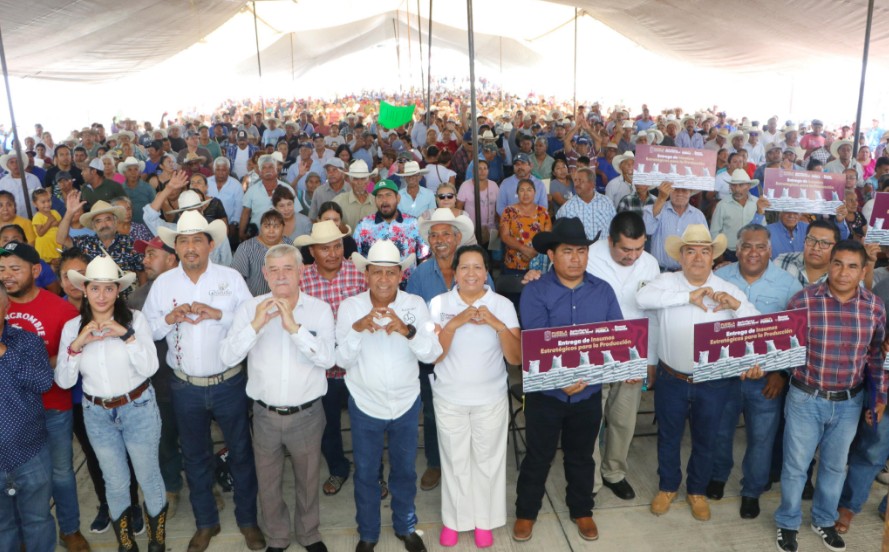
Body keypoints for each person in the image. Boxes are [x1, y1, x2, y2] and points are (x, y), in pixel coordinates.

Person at [142, 211, 264, 552]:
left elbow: (252, 322)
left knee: (241, 453)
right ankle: (205, 523)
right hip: (185, 387)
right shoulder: (163, 284)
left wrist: (218, 314)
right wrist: (169, 318)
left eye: (197, 240)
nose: (191, 247)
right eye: (183, 241)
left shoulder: (231, 278)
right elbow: (147, 330)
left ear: (211, 245)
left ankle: (248, 521)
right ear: (176, 247)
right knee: (195, 458)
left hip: (229, 383)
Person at [636, 225, 760, 522]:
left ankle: (697, 490)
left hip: (714, 382)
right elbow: (642, 299)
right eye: (690, 251)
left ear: (713, 257)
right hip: (671, 378)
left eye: (704, 251)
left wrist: (736, 306)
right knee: (668, 436)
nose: (697, 257)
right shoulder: (666, 282)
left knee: (707, 438)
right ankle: (668, 487)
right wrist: (688, 296)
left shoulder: (728, 289)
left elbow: (756, 325)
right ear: (680, 256)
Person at [513, 217, 622, 543]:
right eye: (567, 251)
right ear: (551, 254)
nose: (576, 258)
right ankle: (526, 512)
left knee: (582, 455)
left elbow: (614, 338)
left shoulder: (603, 291)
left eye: (581, 251)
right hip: (546, 394)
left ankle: (581, 509)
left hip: (588, 392)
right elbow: (535, 341)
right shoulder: (535, 291)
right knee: (538, 455)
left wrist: (589, 374)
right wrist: (558, 378)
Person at [220, 244, 334, 552]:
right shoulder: (250, 309)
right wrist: (256, 325)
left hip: (307, 414)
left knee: (308, 479)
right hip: (265, 415)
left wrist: (295, 329)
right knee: (268, 482)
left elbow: (328, 358)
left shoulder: (319, 309)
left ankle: (309, 534)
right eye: (274, 269)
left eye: (287, 268)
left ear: (300, 272)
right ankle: (277, 537)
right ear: (265, 274)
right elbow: (228, 356)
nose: (281, 275)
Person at [774, 240, 886, 552]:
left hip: (849, 402)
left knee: (836, 467)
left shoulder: (874, 307)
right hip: (805, 398)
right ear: (829, 265)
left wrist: (879, 396)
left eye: (852, 266)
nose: (843, 272)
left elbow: (876, 356)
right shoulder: (803, 301)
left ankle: (824, 519)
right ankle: (788, 522)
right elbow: (784, 349)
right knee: (796, 467)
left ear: (863, 271)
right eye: (838, 263)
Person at [335, 240, 442, 552]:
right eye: (377, 272)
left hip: (406, 403)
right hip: (365, 404)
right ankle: (368, 533)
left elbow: (432, 353)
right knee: (366, 472)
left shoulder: (415, 305)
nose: (383, 279)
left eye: (390, 272)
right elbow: (341, 360)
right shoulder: (350, 307)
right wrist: (358, 329)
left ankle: (406, 526)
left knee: (405, 470)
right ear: (366, 274)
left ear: (400, 275)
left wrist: (408, 331)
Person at [55, 255, 167, 552]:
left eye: (108, 288)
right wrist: (77, 345)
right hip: (97, 414)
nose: (101, 295)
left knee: (148, 476)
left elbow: (150, 367)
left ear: (118, 291)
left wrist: (126, 336)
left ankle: (157, 543)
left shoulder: (135, 320)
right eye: (95, 288)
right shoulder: (72, 328)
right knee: (115, 481)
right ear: (85, 290)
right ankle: (126, 546)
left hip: (137, 406)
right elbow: (64, 381)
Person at [708, 224, 802, 519]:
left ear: (770, 250)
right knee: (720, 431)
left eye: (761, 247)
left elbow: (796, 333)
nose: (753, 252)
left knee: (762, 438)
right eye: (747, 246)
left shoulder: (788, 285)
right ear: (737, 249)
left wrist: (782, 372)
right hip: (725, 375)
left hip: (766, 379)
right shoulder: (719, 278)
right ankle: (718, 475)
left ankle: (752, 491)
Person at [429, 245, 520, 548]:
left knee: (488, 462)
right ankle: (455, 521)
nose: (471, 273)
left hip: (490, 397)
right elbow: (433, 356)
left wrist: (497, 324)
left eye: (478, 267)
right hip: (449, 397)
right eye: (464, 267)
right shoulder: (438, 304)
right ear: (454, 272)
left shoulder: (502, 304)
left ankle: (485, 521)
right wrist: (454, 323)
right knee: (455, 461)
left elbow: (516, 358)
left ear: (486, 273)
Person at [0, 241, 88, 550]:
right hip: (10, 415)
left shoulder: (61, 309)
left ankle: (70, 529)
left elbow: (72, 356)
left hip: (52, 406)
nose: (7, 275)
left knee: (60, 472)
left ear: (36, 270)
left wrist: (32, 362)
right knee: (14, 480)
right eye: (1, 269)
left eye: (15, 268)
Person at [583, 212, 660, 501]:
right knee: (590, 420)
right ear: (610, 241)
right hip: (594, 352)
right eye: (626, 249)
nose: (633, 256)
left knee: (623, 419)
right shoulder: (588, 257)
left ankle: (614, 472)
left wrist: (650, 359)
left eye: (639, 248)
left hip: (633, 354)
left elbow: (652, 315)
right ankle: (589, 480)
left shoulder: (650, 264)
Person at [406, 209, 483, 495]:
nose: (440, 240)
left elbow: (488, 306)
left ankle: (471, 460)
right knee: (432, 412)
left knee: (472, 410)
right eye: (434, 235)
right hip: (433, 358)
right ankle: (436, 463)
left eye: (446, 234)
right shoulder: (420, 274)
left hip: (470, 355)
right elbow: (412, 316)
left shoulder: (474, 269)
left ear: (458, 238)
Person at [128, 236, 183, 518]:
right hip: (157, 382)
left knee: (196, 437)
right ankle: (171, 487)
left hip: (190, 380)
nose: (145, 260)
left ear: (172, 259)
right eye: (145, 255)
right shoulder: (137, 298)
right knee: (164, 439)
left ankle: (207, 485)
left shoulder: (190, 287)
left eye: (152, 255)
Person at [0, 279, 56, 552]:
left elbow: (44, 382)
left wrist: (4, 352)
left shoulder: (27, 341)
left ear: (6, 307)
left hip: (29, 453)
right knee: (2, 527)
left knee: (38, 521)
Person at [56, 194, 147, 287]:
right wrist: (69, 213)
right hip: (95, 295)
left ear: (115, 222)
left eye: (108, 219)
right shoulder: (85, 243)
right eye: (98, 221)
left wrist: (142, 294)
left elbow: (141, 272)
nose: (104, 225)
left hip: (126, 295)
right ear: (93, 226)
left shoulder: (130, 243)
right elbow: (61, 239)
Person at [353, 180, 427, 283]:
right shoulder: (363, 225)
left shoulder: (413, 223)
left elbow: (424, 257)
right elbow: (356, 259)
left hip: (409, 286)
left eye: (388, 195)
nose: (384, 200)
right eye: (379, 196)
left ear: (398, 198)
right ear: (375, 200)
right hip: (375, 285)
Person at [643, 181, 707, 271]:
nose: (680, 193)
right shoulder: (656, 209)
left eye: (684, 190)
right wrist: (661, 198)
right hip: (659, 270)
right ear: (669, 191)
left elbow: (704, 246)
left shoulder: (698, 216)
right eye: (675, 189)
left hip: (687, 271)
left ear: (690, 192)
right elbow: (647, 230)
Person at [233, 209, 293, 296]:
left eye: (276, 226)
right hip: (254, 300)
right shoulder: (246, 248)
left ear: (283, 228)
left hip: (285, 298)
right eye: (267, 226)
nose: (271, 231)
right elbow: (236, 278)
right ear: (261, 227)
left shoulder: (289, 245)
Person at [499, 178, 551, 276]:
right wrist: (524, 249)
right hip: (514, 264)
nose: (525, 194)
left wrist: (534, 253)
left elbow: (547, 238)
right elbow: (504, 236)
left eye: (529, 190)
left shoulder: (543, 212)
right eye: (522, 190)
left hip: (538, 265)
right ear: (517, 193)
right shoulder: (508, 211)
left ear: (535, 193)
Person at [775, 220, 841, 286]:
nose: (816, 248)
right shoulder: (782, 262)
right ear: (804, 241)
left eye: (824, 243)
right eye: (811, 240)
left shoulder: (840, 275)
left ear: (835, 248)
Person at [558, 166, 616, 240]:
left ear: (592, 184)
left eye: (580, 180)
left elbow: (615, 227)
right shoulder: (567, 208)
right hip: (579, 247)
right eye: (575, 180)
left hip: (604, 246)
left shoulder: (606, 203)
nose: (576, 184)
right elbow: (560, 234)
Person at [334, 160, 377, 230]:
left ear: (368, 181)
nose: (359, 183)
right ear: (350, 181)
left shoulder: (376, 202)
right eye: (355, 179)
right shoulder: (339, 201)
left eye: (363, 179)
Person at [31, 188, 62, 265]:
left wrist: (54, 223)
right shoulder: (37, 217)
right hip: (44, 249)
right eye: (43, 202)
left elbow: (61, 225)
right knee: (47, 267)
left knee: (57, 266)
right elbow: (40, 233)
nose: (47, 204)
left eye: (48, 201)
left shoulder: (55, 212)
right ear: (35, 204)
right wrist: (49, 221)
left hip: (55, 245)